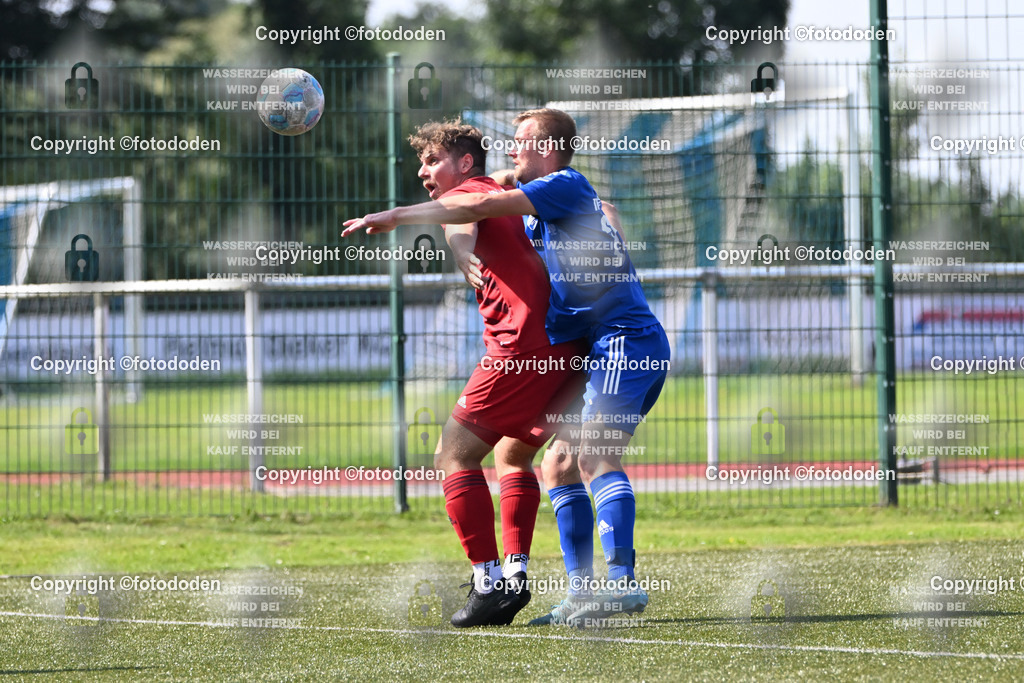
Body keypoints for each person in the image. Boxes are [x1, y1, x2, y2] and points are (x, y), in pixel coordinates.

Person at [344, 108, 671, 626]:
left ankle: (621, 584)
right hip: (586, 347)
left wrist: (395, 217)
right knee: (556, 465)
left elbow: (487, 198)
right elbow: (484, 199)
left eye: (519, 141)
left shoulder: (562, 184)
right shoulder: (554, 206)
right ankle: (582, 592)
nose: (511, 149)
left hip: (623, 342)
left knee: (587, 458)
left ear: (546, 148)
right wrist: (459, 240)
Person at [405, 119, 587, 627]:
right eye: (422, 162)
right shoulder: (501, 187)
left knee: (453, 453)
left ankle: (486, 582)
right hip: (566, 346)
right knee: (511, 454)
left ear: (465, 164)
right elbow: (498, 186)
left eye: (432, 160)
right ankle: (515, 576)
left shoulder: (466, 194)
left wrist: (460, 248)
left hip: (522, 347)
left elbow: (462, 220)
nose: (423, 171)